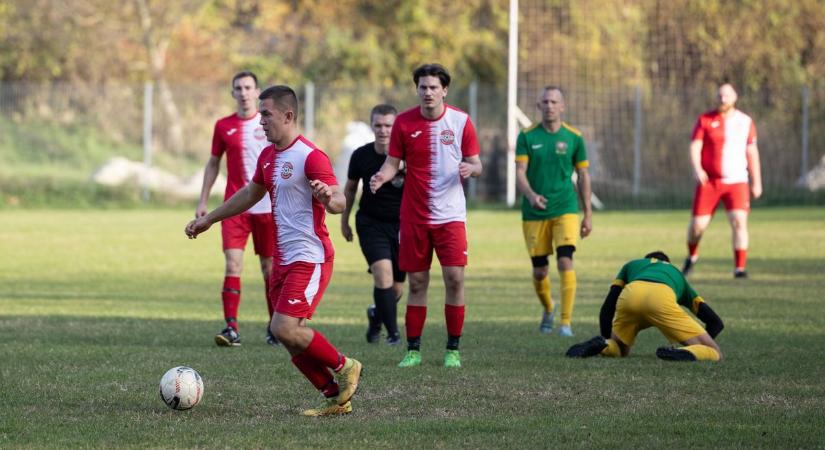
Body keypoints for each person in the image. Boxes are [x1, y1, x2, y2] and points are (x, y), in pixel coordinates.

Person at [186, 85, 362, 417]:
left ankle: (345, 365)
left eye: (266, 114)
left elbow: (338, 200)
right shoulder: (268, 156)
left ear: (288, 116)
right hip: (283, 259)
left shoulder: (310, 155)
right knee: (287, 336)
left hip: (309, 258)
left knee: (283, 328)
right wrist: (209, 218)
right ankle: (334, 397)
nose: (261, 121)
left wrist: (329, 198)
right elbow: (250, 194)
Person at [370, 63, 483, 369]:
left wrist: (470, 169)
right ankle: (413, 350)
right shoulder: (404, 123)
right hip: (415, 217)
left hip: (451, 217)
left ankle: (453, 349)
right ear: (416, 89)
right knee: (417, 283)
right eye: (423, 87)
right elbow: (393, 163)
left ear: (444, 90)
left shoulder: (461, 122)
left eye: (434, 87)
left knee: (455, 278)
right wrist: (381, 176)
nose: (428, 92)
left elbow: (477, 163)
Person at [196, 71, 276, 347]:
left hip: (267, 208)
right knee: (233, 263)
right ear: (232, 93)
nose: (243, 92)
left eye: (248, 87)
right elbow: (213, 163)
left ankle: (274, 326)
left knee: (269, 268)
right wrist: (203, 201)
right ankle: (231, 328)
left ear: (257, 91)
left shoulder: (269, 124)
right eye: (238, 88)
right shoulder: (223, 126)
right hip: (234, 208)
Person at [515, 86, 592, 337]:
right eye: (545, 102)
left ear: (563, 106)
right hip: (534, 212)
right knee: (540, 271)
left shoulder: (574, 137)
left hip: (566, 208)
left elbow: (583, 176)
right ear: (539, 106)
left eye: (554, 102)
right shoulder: (526, 136)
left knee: (565, 260)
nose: (549, 106)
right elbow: (520, 172)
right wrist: (531, 196)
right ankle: (549, 307)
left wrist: (588, 214)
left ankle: (565, 323)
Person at [565, 251, 724, 362]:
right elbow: (716, 322)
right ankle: (684, 352)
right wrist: (699, 343)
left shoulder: (633, 265)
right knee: (714, 352)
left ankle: (604, 346)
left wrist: (605, 336)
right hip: (661, 297)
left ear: (646, 260)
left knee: (620, 349)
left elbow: (608, 306)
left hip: (631, 294)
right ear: (667, 262)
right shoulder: (676, 273)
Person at [682, 83, 763, 279]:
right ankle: (692, 256)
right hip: (709, 182)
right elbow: (695, 146)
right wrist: (697, 168)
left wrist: (756, 181)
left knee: (738, 221)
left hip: (737, 181)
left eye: (726, 95)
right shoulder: (705, 120)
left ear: (735, 97)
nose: (722, 99)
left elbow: (752, 152)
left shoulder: (745, 121)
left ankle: (739, 268)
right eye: (719, 95)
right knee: (697, 226)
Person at [341, 104, 405, 346]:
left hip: (402, 227)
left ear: (396, 127)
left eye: (388, 125)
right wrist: (344, 221)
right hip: (370, 223)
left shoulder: (407, 155)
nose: (383, 130)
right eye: (378, 125)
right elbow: (349, 188)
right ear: (371, 126)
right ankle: (394, 336)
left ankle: (376, 316)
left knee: (396, 289)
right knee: (383, 275)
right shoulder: (361, 155)